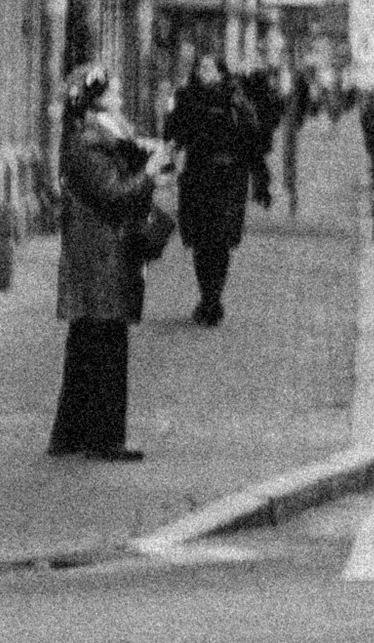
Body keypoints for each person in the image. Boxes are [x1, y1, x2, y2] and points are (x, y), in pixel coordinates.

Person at [46, 68, 165, 460]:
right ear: (96, 102)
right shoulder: (88, 144)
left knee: (85, 348)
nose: (120, 97)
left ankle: (70, 436)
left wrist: (143, 160)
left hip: (100, 256)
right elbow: (114, 197)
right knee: (107, 349)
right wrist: (147, 175)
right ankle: (104, 440)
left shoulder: (103, 139)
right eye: (113, 93)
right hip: (100, 259)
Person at [166, 45, 250, 326]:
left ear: (221, 72)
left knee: (221, 241)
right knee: (202, 242)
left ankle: (213, 299)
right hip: (198, 177)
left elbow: (251, 135)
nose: (204, 73)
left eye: (210, 68)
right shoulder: (186, 97)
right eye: (201, 68)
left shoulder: (235, 98)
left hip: (228, 178)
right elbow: (174, 133)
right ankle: (207, 297)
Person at [241, 61, 283, 209]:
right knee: (258, 163)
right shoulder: (268, 93)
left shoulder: (247, 92)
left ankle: (258, 192)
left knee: (253, 163)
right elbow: (277, 113)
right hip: (262, 134)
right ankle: (261, 193)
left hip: (250, 134)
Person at [280, 59, 314, 212]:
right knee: (289, 153)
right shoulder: (297, 82)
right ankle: (290, 183)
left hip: (292, 118)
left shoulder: (298, 83)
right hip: (292, 118)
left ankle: (290, 184)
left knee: (290, 153)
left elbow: (302, 101)